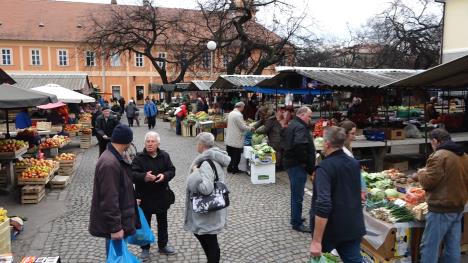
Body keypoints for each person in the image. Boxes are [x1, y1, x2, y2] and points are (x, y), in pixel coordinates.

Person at [309, 126, 365, 262]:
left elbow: (323, 204)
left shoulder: (324, 168)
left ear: (327, 144)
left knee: (326, 260)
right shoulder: (353, 163)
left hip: (332, 230)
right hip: (352, 225)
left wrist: (316, 241)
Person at [412, 128, 468, 263]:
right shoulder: (464, 156)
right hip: (458, 207)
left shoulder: (439, 155)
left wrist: (420, 173)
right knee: (453, 247)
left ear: (435, 141)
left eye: (431, 143)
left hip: (441, 209)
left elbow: (427, 183)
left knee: (429, 247)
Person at [89, 124, 139, 255]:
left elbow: (122, 186)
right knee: (115, 256)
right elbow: (109, 199)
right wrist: (115, 228)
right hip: (115, 224)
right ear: (127, 141)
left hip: (120, 217)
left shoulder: (114, 156)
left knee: (117, 255)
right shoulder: (110, 163)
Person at [185, 132, 230, 263]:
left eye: (197, 143)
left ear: (201, 145)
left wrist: (195, 173)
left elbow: (206, 188)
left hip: (207, 210)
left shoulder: (206, 163)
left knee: (210, 242)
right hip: (211, 209)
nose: (196, 146)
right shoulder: (216, 157)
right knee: (207, 239)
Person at [132, 131, 177, 259]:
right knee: (145, 224)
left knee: (163, 223)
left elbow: (172, 170)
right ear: (145, 143)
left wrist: (165, 176)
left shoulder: (164, 156)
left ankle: (163, 246)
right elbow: (131, 174)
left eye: (152, 141)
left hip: (162, 195)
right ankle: (145, 248)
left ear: (158, 143)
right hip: (144, 197)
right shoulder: (138, 158)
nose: (150, 144)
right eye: (148, 141)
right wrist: (144, 177)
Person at [282, 106, 316, 233]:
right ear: (302, 115)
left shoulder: (293, 124)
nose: (310, 119)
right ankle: (296, 223)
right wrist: (307, 165)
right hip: (296, 165)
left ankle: (295, 218)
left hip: (292, 163)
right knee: (297, 195)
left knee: (296, 194)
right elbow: (299, 147)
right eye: (309, 116)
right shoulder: (300, 127)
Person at [339, 120, 367, 202]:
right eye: (352, 133)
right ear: (345, 134)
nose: (354, 136)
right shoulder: (343, 152)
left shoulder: (347, 148)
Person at [225, 102, 254, 174]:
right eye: (243, 107)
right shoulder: (238, 115)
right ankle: (235, 169)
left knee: (230, 154)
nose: (243, 109)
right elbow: (242, 127)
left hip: (229, 137)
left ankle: (229, 168)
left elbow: (226, 121)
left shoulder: (231, 113)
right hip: (236, 138)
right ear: (240, 107)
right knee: (236, 154)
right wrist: (250, 128)